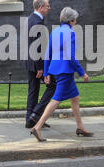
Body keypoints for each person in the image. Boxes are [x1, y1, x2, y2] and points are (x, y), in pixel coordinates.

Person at [30, 7, 93, 142]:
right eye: (75, 19)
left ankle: (80, 127)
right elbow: (70, 57)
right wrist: (82, 72)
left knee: (75, 98)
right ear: (71, 20)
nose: (76, 22)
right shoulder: (70, 33)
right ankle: (37, 127)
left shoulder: (55, 32)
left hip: (56, 70)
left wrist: (46, 72)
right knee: (55, 100)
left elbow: (48, 54)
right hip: (65, 71)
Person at [25, 0, 57, 129]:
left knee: (33, 90)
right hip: (37, 63)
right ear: (41, 7)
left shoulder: (31, 18)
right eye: (47, 6)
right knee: (53, 85)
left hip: (30, 61)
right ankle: (36, 114)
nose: (49, 8)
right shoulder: (37, 22)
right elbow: (37, 46)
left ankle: (30, 119)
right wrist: (41, 68)